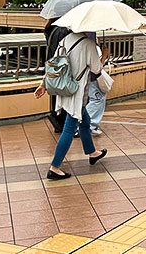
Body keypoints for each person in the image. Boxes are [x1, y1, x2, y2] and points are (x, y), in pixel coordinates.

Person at [34, 29, 108, 180]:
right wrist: (104, 55)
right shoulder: (89, 44)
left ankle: (92, 153)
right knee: (70, 127)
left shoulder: (65, 40)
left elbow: (53, 66)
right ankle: (54, 167)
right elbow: (97, 69)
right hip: (78, 92)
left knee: (85, 120)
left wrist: (43, 84)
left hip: (65, 88)